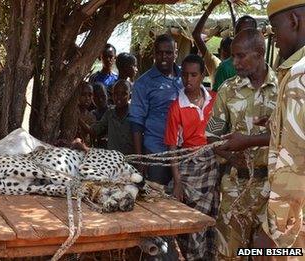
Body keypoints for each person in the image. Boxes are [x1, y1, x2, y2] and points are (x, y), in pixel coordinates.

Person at [205, 28, 278, 259]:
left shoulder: (283, 89)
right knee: (229, 254)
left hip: (272, 191)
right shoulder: (228, 89)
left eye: (240, 56)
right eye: (233, 56)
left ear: (259, 53)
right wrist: (227, 154)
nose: (234, 62)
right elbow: (212, 135)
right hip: (235, 187)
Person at [254, 0, 305, 251]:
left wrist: (272, 232)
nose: (276, 41)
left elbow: (294, 163)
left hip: (296, 226)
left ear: (294, 21)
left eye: (275, 31)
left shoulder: (299, 75)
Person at [164, 54, 218, 260]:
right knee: (189, 220)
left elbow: (216, 136)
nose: (188, 80)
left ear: (202, 74)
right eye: (184, 75)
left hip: (211, 165)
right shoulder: (176, 106)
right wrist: (177, 181)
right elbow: (172, 146)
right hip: (189, 166)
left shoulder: (214, 99)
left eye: (194, 75)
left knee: (209, 218)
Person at [129, 34, 183, 186]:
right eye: (159, 53)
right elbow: (136, 122)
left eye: (168, 52)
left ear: (176, 53)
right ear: (154, 54)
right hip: (156, 152)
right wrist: (140, 159)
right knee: (156, 199)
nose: (163, 56)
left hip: (184, 152)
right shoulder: (143, 83)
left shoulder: (185, 78)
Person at [80, 80, 134, 155]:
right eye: (116, 94)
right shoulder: (110, 113)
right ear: (112, 95)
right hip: (113, 158)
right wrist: (78, 120)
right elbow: (94, 131)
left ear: (130, 96)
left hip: (131, 159)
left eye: (123, 94)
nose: (119, 97)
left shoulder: (135, 113)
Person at [192, 0, 233, 87]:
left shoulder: (240, 66)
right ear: (219, 51)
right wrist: (211, 6)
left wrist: (230, 6)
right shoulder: (215, 64)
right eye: (226, 52)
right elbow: (196, 35)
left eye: (231, 54)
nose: (228, 57)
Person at [212, 15, 258, 91]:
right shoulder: (225, 68)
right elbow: (217, 98)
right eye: (241, 33)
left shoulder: (261, 66)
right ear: (235, 35)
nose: (245, 37)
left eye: (249, 32)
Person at [76, 81, 96, 146]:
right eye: (83, 95)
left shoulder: (91, 116)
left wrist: (78, 120)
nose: (87, 98)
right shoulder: (70, 113)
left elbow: (91, 132)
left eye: (90, 95)